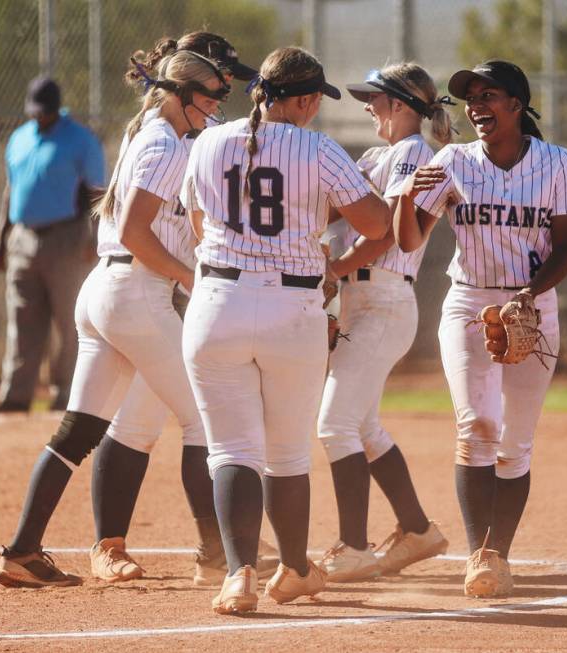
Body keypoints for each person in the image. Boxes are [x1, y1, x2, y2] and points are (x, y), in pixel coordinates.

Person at [0, 44, 230, 588]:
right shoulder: (166, 142)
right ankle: (219, 553)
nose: (216, 107)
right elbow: (134, 233)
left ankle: (22, 552)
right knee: (205, 419)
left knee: (78, 432)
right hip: (135, 292)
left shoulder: (148, 131)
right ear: (184, 95)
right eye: (211, 97)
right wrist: (191, 277)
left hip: (106, 291)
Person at [180, 46, 392, 614]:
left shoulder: (208, 141)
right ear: (301, 100)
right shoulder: (317, 147)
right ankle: (295, 569)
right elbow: (379, 224)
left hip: (215, 301)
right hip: (291, 306)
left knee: (229, 449)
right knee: (286, 454)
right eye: (313, 101)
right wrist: (318, 237)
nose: (315, 111)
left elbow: (200, 221)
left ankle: (239, 576)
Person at [87, 32, 279, 588]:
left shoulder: (192, 128)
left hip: (170, 285)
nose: (227, 95)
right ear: (192, 78)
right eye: (220, 83)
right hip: (153, 282)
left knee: (140, 420)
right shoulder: (174, 134)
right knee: (200, 413)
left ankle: (127, 543)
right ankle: (215, 548)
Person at [393, 60, 567, 598]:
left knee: (514, 445)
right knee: (476, 426)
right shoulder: (453, 160)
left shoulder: (556, 163)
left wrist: (530, 292)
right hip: (469, 305)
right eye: (470, 97)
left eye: (488, 95)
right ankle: (481, 556)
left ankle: (497, 552)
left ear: (516, 106)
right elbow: (409, 242)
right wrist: (409, 195)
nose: (476, 105)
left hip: (533, 307)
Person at [315, 63, 453, 582]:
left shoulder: (414, 152)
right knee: (363, 426)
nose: (368, 107)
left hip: (385, 298)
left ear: (400, 105)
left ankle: (353, 547)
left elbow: (392, 234)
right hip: (362, 302)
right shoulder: (379, 155)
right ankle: (417, 530)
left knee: (334, 424)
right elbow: (336, 210)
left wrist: (334, 268)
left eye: (375, 99)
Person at [0, 77, 105, 414]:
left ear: (57, 109)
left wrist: (95, 238)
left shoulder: (80, 140)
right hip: (22, 237)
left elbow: (98, 192)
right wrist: (0, 239)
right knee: (21, 319)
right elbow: (11, 191)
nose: (40, 118)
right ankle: (16, 395)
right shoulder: (19, 138)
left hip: (66, 238)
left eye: (46, 113)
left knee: (69, 322)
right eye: (35, 112)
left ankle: (66, 393)